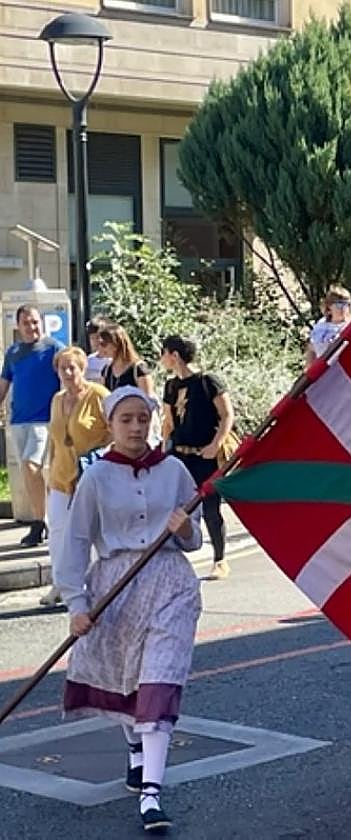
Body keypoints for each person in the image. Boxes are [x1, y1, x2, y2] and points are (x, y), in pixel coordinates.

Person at [54, 386, 203, 834]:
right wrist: (76, 603)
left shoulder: (174, 470)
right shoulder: (96, 478)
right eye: (126, 419)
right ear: (110, 425)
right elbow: (75, 541)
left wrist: (184, 529)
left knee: (159, 681)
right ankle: (136, 751)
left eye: (143, 418)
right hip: (116, 586)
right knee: (126, 677)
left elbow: (193, 539)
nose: (136, 427)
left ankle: (151, 794)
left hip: (171, 584)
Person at [160, 336, 235, 580]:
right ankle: (170, 559)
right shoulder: (171, 386)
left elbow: (227, 415)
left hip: (205, 455)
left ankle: (220, 560)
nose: (162, 359)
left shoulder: (208, 382)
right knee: (175, 507)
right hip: (180, 455)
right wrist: (164, 451)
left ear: (175, 355)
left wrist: (216, 444)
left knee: (211, 508)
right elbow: (169, 422)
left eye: (164, 353)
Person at [41, 347, 110, 608]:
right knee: (58, 532)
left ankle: (97, 585)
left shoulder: (99, 395)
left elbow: (117, 431)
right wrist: (49, 471)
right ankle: (60, 584)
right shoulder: (57, 399)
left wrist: (105, 457)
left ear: (82, 369)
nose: (68, 373)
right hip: (61, 477)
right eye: (63, 368)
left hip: (91, 477)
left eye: (73, 367)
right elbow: (54, 439)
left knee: (92, 532)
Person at [0, 305, 64, 546]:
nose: (31, 327)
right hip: (19, 421)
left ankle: (39, 523)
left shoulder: (54, 348)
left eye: (35, 322)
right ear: (18, 325)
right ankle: (43, 519)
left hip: (44, 420)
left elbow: (69, 379)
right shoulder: (13, 352)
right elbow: (4, 384)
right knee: (30, 473)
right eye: (26, 323)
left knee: (31, 464)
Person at [98, 324, 154, 395]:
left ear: (116, 344)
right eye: (99, 344)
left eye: (103, 344)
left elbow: (147, 398)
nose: (99, 348)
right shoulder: (106, 371)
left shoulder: (139, 369)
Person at [305, 285, 351, 364]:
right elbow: (311, 348)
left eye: (346, 304)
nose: (343, 308)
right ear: (329, 306)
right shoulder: (321, 325)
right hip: (323, 368)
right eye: (339, 304)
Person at [84, 316, 113, 384]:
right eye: (92, 338)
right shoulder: (88, 360)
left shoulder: (112, 360)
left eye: (97, 337)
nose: (95, 341)